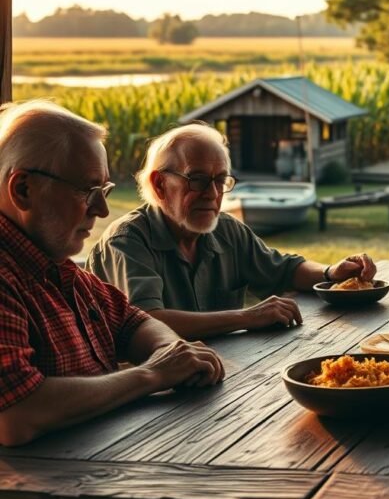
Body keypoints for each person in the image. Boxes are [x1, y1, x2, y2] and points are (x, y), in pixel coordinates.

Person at [0, 100, 224, 447]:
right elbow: (16, 413)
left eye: (103, 191)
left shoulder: (58, 268)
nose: (102, 209)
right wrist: (152, 374)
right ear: (23, 189)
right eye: (88, 191)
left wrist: (172, 352)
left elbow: (135, 322)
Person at [87, 123, 377, 340]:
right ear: (160, 184)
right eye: (197, 179)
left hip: (222, 375)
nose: (212, 194)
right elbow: (148, 322)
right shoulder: (127, 241)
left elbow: (283, 269)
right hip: (150, 399)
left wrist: (330, 273)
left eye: (221, 180)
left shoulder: (226, 230)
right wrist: (246, 317)